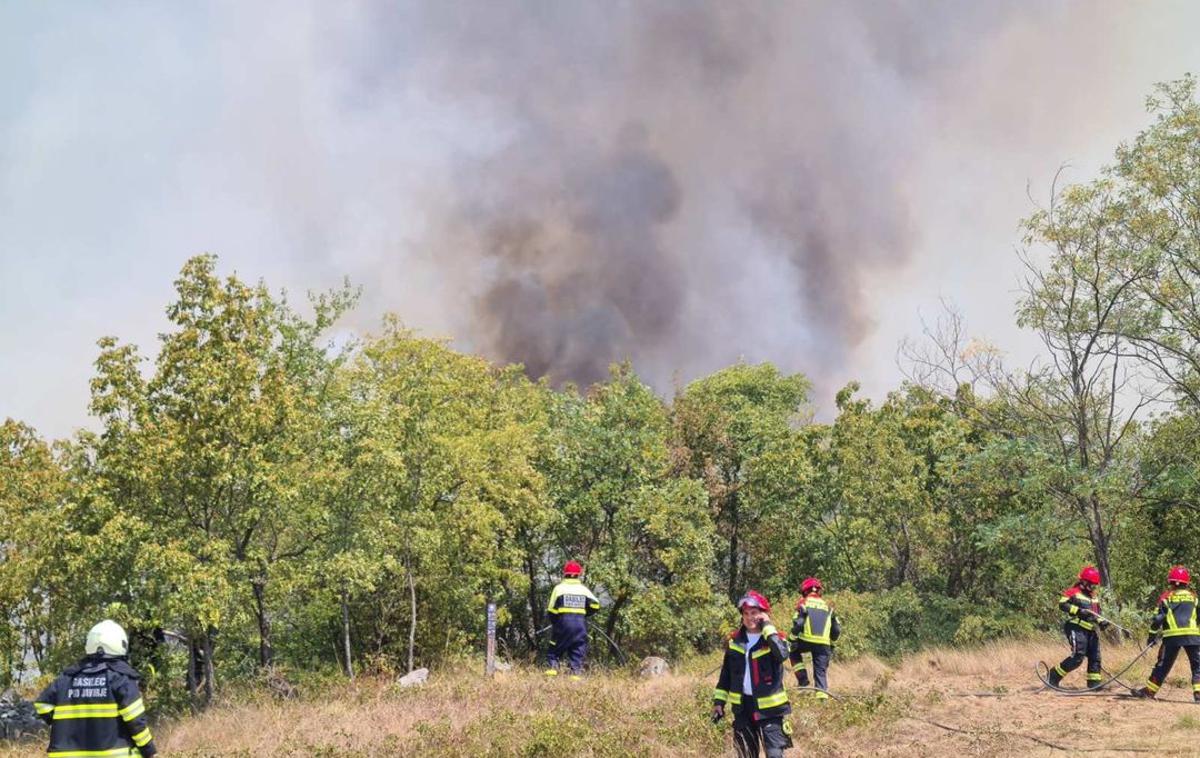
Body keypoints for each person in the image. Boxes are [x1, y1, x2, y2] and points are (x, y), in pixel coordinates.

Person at [33, 619, 157, 757]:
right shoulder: (121, 679)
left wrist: (65, 725)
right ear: (120, 644)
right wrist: (149, 751)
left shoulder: (66, 678)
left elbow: (42, 705)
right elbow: (136, 722)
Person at [712, 590, 793, 758]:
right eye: (746, 614)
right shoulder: (735, 642)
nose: (750, 617)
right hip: (743, 709)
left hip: (770, 711)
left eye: (754, 613)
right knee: (746, 754)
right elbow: (726, 675)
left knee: (775, 755)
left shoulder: (775, 639)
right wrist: (719, 702)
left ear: (763, 614)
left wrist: (769, 628)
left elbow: (782, 655)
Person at [1134, 565, 1200, 701]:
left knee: (1163, 664)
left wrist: (1152, 636)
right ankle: (1198, 694)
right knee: (1198, 665)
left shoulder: (1166, 597)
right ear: (1186, 583)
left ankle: (1149, 692)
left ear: (1171, 582)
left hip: (1172, 638)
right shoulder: (1194, 598)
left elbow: (1157, 619)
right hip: (1193, 637)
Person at [1047, 565, 1110, 689]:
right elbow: (1062, 604)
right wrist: (1078, 610)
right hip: (1076, 627)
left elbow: (1097, 613)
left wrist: (1102, 622)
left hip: (1091, 631)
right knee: (1078, 657)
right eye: (1092, 585)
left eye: (1095, 585)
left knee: (1095, 658)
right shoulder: (1073, 592)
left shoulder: (1094, 596)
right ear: (1084, 581)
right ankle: (1053, 676)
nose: (1093, 587)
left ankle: (1094, 685)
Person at [544, 560, 601, 679]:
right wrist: (584, 614)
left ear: (565, 573)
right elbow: (596, 605)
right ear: (578, 575)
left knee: (554, 652)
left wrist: (556, 623)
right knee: (577, 654)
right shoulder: (583, 590)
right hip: (580, 625)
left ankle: (551, 678)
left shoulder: (559, 589)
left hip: (563, 624)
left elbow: (551, 610)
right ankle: (575, 679)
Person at [789, 577, 840, 698]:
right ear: (819, 591)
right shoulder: (829, 608)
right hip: (823, 644)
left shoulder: (803, 604)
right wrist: (831, 643)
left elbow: (799, 623)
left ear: (804, 591)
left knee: (793, 652)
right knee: (820, 672)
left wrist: (792, 639)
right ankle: (821, 698)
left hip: (805, 641)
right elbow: (837, 630)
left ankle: (802, 679)